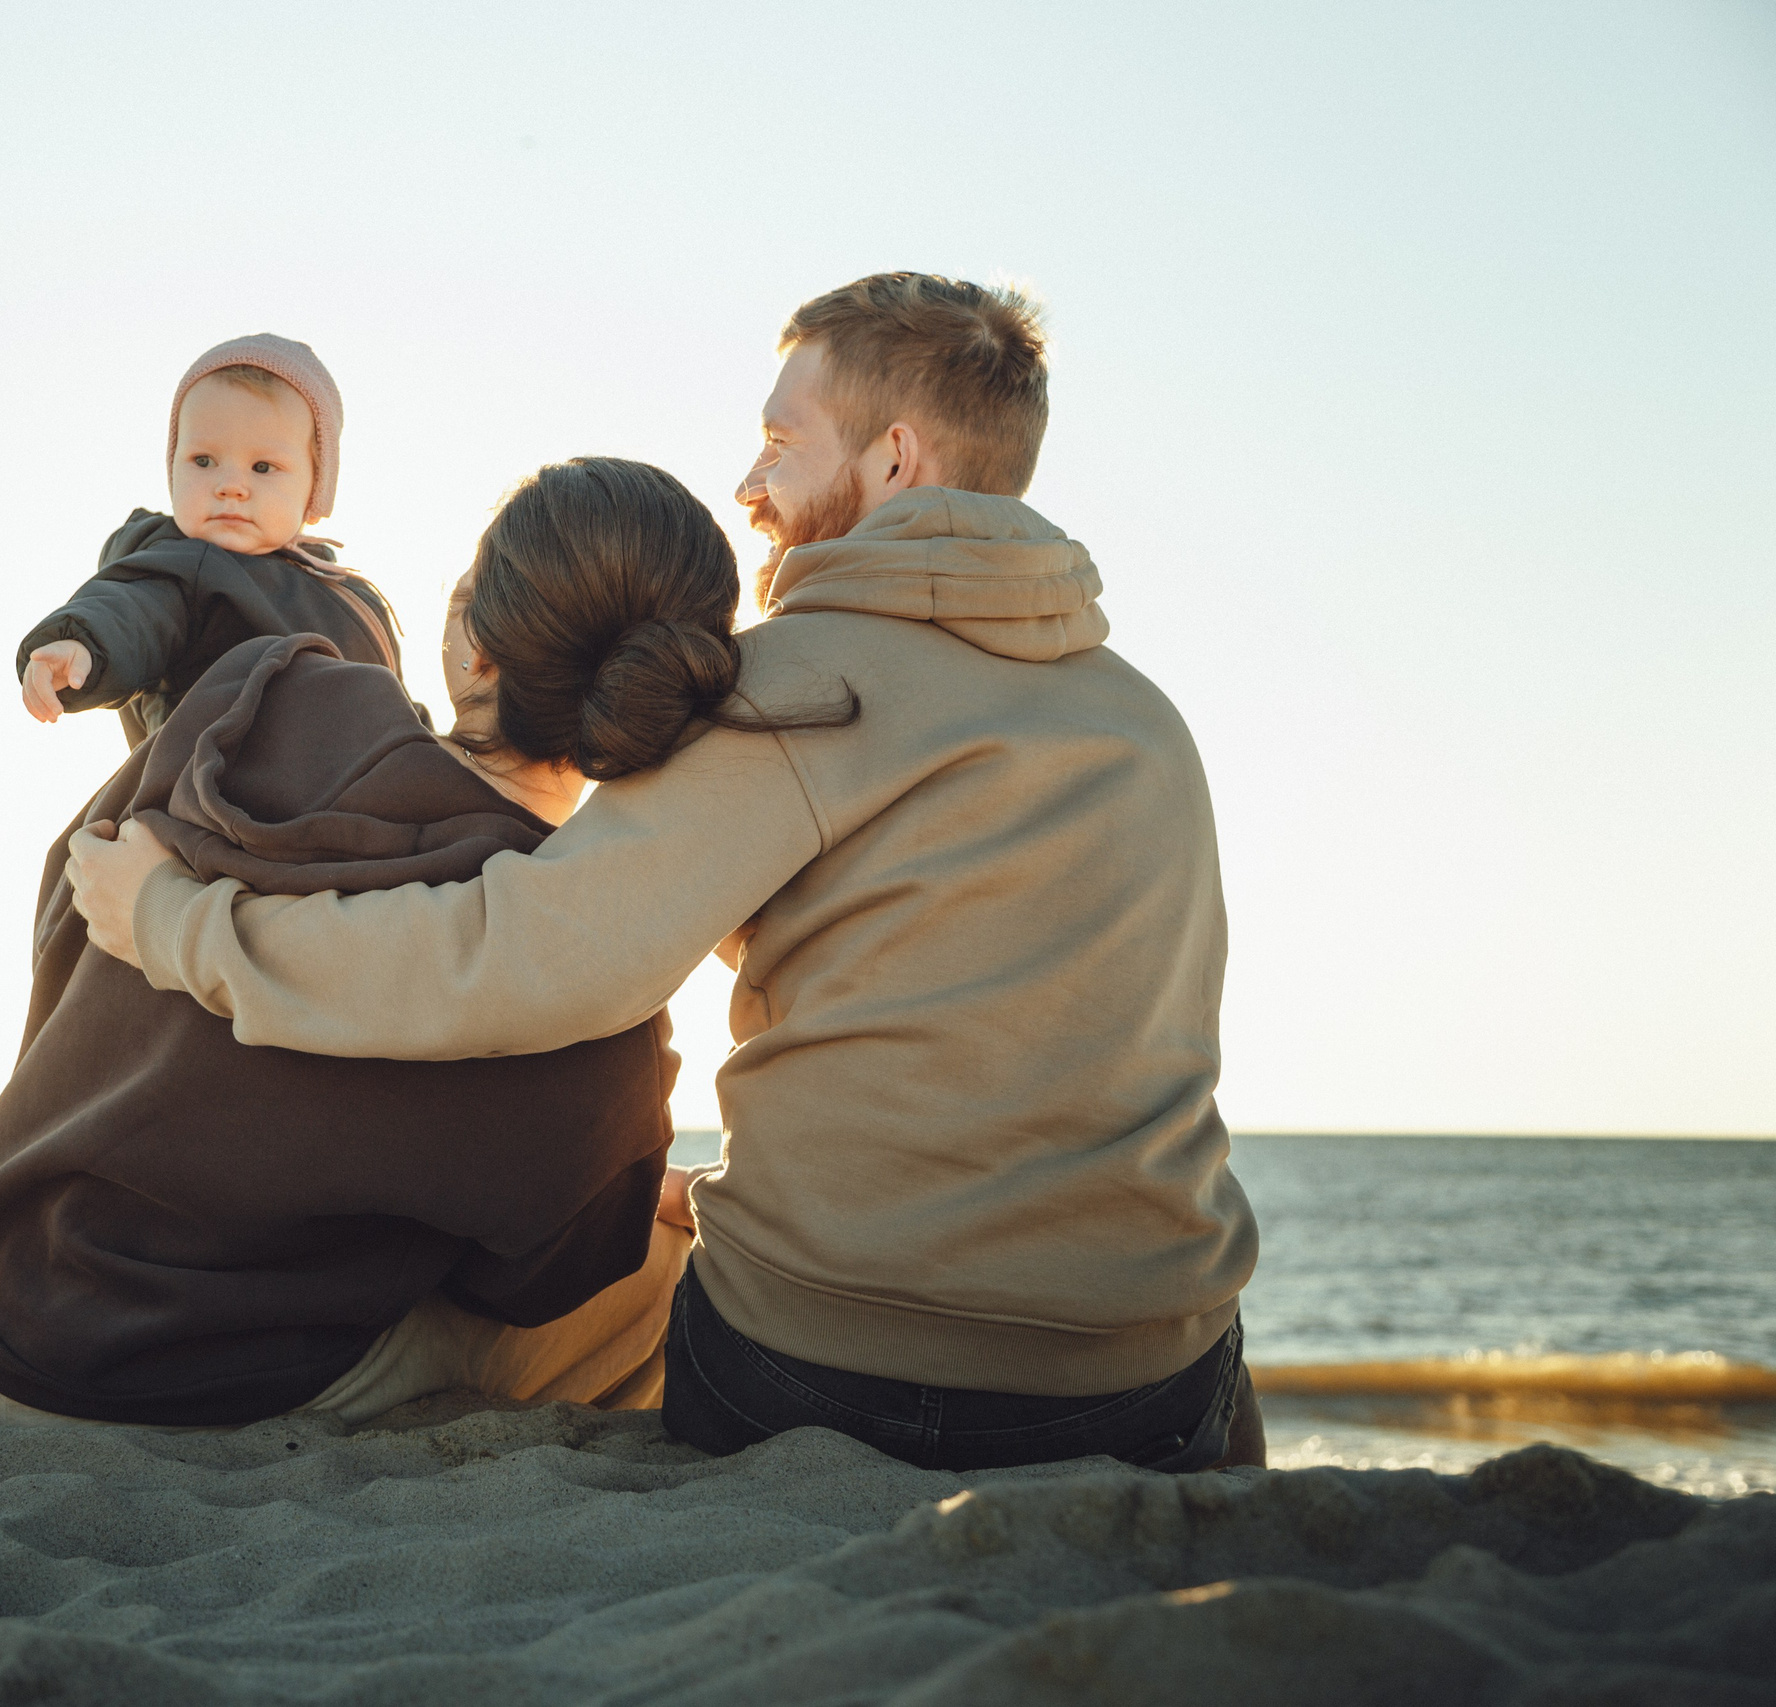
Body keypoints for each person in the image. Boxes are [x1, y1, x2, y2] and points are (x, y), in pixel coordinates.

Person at [66, 273, 1267, 1473]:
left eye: (780, 445)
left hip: (842, 1380)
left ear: (896, 459)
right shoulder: (1145, 724)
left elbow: (522, 958)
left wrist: (177, 924)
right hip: (1153, 1383)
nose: (748, 486)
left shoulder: (801, 688)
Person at [0, 458, 842, 1430]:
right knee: (657, 1278)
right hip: (159, 1400)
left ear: (466, 636)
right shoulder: (598, 997)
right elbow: (535, 1281)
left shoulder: (259, 691)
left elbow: (75, 905)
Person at [15, 334, 409, 748]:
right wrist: (85, 644)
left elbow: (395, 706)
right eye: (203, 461)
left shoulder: (350, 593)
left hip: (356, 790)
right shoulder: (182, 568)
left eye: (262, 467)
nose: (230, 486)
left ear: (315, 486)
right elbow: (136, 613)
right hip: (216, 790)